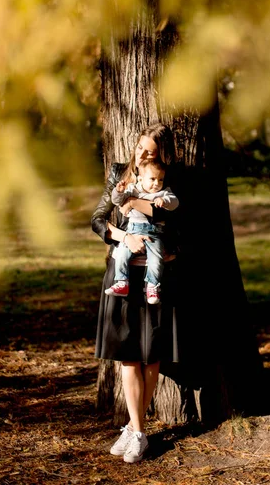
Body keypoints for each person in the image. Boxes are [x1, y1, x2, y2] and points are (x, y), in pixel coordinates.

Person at [91, 123, 179, 464]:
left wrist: (136, 203)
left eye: (152, 152)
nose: (144, 155)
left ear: (161, 156)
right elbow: (98, 218)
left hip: (154, 277)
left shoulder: (167, 178)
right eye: (142, 148)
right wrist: (121, 237)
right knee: (128, 353)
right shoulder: (118, 173)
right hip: (124, 273)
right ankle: (138, 431)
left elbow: (172, 216)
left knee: (152, 353)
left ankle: (133, 429)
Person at [105, 158, 179, 304]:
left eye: (160, 179)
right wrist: (118, 191)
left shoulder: (163, 193)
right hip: (133, 231)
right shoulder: (134, 189)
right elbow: (117, 201)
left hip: (154, 234)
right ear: (140, 178)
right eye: (152, 179)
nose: (157, 183)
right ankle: (122, 282)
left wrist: (164, 202)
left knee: (156, 258)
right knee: (122, 254)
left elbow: (175, 203)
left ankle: (152, 286)